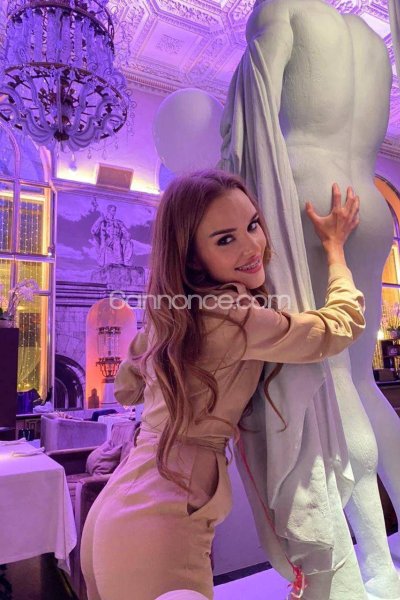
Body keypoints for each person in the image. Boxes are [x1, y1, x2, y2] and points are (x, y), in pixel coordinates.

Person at [81, 169, 364, 600]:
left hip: (116, 507)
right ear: (193, 258)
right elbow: (339, 326)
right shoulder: (231, 317)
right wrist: (335, 250)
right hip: (159, 525)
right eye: (225, 239)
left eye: (253, 225)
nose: (252, 246)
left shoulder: (171, 316)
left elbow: (125, 388)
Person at [220, 1, 400, 597]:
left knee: (326, 379)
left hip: (305, 194)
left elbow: (254, 118)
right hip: (368, 201)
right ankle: (378, 561)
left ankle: (364, 568)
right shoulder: (371, 39)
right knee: (360, 381)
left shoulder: (282, 5)